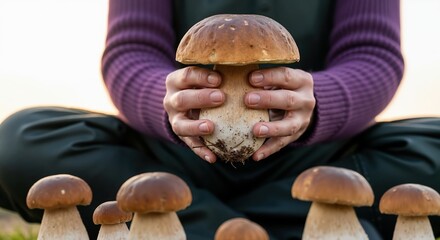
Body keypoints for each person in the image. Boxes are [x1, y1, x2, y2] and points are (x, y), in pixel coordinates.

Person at [0, 0, 439, 239]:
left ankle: (175, 222)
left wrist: (318, 103)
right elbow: (129, 51)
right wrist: (167, 103)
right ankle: (317, 218)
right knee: (19, 140)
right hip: (172, 155)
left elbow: (374, 54)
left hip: (318, 154)